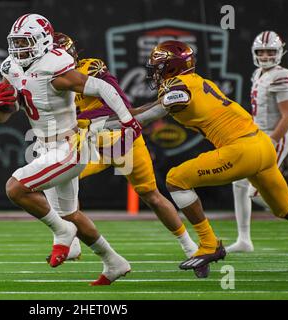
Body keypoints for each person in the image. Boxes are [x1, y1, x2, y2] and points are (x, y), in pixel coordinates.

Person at [110, 40, 288, 272]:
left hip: (241, 150)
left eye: (159, 66)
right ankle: (210, 244)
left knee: (175, 179)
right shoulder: (197, 82)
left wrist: (102, 126)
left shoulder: (178, 88)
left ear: (171, 67)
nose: (154, 71)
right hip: (261, 145)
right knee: (287, 209)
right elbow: (147, 108)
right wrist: (107, 118)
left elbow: (145, 117)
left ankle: (209, 243)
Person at [0, 14, 143, 285]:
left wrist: (128, 120)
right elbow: (4, 115)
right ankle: (113, 261)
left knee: (16, 188)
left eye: (25, 42)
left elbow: (101, 87)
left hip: (70, 146)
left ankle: (62, 233)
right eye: (16, 42)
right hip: (45, 147)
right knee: (71, 214)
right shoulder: (11, 67)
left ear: (43, 41)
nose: (19, 48)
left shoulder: (54, 68)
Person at [52, 32, 206, 277]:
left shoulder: (89, 67)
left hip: (119, 138)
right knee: (60, 179)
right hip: (93, 143)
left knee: (151, 195)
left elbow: (119, 103)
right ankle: (71, 242)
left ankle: (190, 248)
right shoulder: (48, 80)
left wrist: (81, 121)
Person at [228, 31, 288, 252]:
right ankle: (244, 239)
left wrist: (270, 141)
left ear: (280, 52)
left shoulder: (283, 75)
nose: (266, 55)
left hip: (274, 138)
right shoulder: (258, 73)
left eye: (270, 51)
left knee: (257, 193)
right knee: (239, 184)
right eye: (261, 51)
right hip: (258, 137)